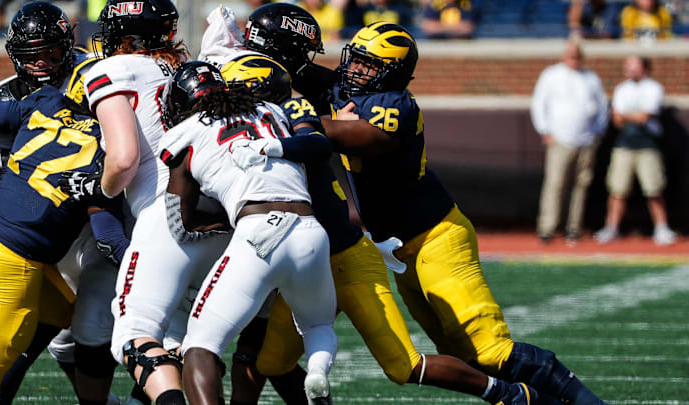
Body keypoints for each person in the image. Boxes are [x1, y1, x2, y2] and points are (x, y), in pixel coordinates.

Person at [247, 18, 608, 405]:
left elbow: (357, 134)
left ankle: (587, 401)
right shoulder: (343, 88)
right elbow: (287, 69)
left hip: (435, 236)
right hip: (399, 248)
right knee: (461, 356)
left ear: (392, 72)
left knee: (489, 351)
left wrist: (298, 121)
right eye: (356, 59)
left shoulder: (395, 105)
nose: (355, 69)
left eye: (369, 64)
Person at [58, 2, 232, 404]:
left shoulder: (109, 70)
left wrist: (100, 190)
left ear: (126, 35)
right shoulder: (188, 68)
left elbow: (123, 159)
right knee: (186, 343)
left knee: (133, 334)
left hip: (166, 216)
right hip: (221, 215)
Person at [0, 3, 125, 404]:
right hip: (21, 229)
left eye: (51, 53)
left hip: (87, 216)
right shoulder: (9, 95)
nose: (41, 63)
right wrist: (7, 160)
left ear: (67, 46)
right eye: (31, 55)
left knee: (67, 318)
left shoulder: (98, 76)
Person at [157, 60, 338, 405]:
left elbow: (182, 219)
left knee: (200, 346)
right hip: (311, 231)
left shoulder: (185, 132)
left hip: (257, 233)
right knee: (318, 327)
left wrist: (222, 224)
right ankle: (317, 371)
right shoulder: (272, 110)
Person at [0, 76, 102, 401]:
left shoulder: (45, 99)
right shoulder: (111, 141)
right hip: (9, 257)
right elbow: (108, 224)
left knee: (57, 307)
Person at [531, 41, 609, 245]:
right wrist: (544, 129)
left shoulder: (590, 77)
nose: (573, 59)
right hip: (560, 139)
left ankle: (573, 228)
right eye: (570, 55)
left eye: (577, 55)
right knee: (555, 184)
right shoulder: (551, 74)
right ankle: (547, 227)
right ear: (564, 56)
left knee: (581, 185)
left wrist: (597, 132)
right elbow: (539, 102)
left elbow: (602, 107)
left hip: (586, 140)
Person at [594, 56, 676, 246]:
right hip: (624, 145)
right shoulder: (622, 88)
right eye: (627, 66)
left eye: (633, 65)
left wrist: (626, 115)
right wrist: (630, 116)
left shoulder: (654, 88)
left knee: (653, 189)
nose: (629, 69)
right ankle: (611, 228)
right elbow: (617, 119)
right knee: (617, 189)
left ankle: (662, 228)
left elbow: (644, 117)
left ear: (644, 68)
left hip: (648, 145)